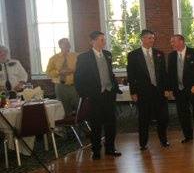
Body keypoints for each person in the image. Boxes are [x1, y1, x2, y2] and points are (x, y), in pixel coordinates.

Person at [74, 31, 120, 160]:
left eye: (104, 40)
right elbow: (78, 78)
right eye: (101, 40)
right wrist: (84, 95)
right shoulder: (84, 57)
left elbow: (110, 74)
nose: (104, 42)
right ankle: (96, 150)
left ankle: (110, 148)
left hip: (109, 94)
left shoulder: (107, 55)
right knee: (96, 124)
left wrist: (114, 87)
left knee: (111, 123)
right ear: (92, 41)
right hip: (94, 95)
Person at [126, 29, 170, 150]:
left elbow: (164, 73)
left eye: (153, 38)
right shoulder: (133, 55)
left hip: (159, 92)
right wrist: (133, 92)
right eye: (150, 38)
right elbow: (131, 75)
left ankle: (164, 140)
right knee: (144, 119)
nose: (152, 40)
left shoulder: (159, 53)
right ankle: (143, 143)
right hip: (143, 92)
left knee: (163, 118)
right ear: (143, 39)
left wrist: (167, 88)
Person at [167, 34, 194, 143]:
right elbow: (170, 74)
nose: (171, 44)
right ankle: (187, 136)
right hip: (179, 90)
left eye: (173, 41)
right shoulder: (171, 56)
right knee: (183, 114)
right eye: (171, 42)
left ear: (181, 42)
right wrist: (170, 89)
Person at [46, 38, 79, 115]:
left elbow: (82, 68)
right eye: (65, 43)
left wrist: (73, 70)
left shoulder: (76, 56)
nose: (68, 45)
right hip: (60, 87)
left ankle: (81, 125)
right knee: (64, 110)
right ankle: (67, 126)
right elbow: (48, 72)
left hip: (74, 86)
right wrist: (59, 72)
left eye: (68, 43)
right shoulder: (53, 58)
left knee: (79, 107)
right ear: (60, 45)